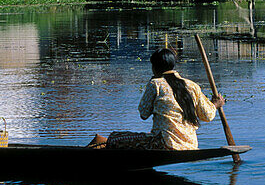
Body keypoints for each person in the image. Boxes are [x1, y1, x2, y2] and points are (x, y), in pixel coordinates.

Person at [90, 48, 224, 150]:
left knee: (113, 138)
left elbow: (143, 114)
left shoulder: (156, 84)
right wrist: (215, 104)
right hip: (190, 144)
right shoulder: (192, 85)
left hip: (165, 143)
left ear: (154, 67)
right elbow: (207, 115)